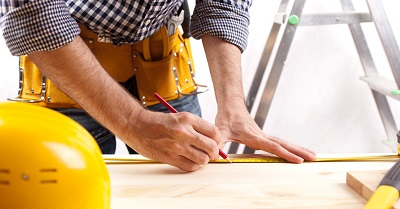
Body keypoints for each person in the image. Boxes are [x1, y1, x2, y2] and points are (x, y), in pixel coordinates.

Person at [0, 0, 316, 172]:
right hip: (70, 70)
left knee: (190, 199)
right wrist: (134, 124)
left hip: (164, 67)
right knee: (74, 207)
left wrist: (233, 107)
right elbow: (33, 17)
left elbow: (224, 3)